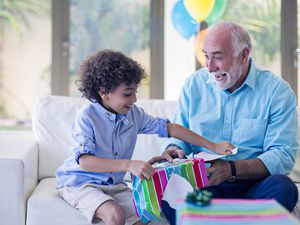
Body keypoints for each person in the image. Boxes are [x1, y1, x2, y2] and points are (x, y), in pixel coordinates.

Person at [55, 50, 235, 225]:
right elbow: (85, 162)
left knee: (149, 217)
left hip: (114, 185)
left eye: (135, 92)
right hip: (80, 183)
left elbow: (171, 128)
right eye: (127, 93)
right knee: (115, 214)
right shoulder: (87, 116)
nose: (134, 99)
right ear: (104, 92)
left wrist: (214, 146)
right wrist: (129, 164)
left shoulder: (134, 115)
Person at [159, 21, 299, 224]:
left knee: (284, 187)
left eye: (217, 57)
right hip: (206, 187)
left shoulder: (277, 92)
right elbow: (179, 135)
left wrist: (231, 169)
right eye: (206, 56)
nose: (209, 66)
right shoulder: (194, 85)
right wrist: (173, 149)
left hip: (254, 187)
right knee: (171, 197)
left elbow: (281, 156)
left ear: (244, 55)